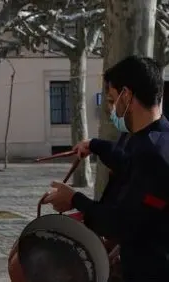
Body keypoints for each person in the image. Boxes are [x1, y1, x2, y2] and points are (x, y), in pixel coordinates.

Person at [42, 55, 169, 282]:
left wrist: (74, 199)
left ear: (127, 96)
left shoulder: (153, 154)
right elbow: (127, 164)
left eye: (112, 100)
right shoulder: (157, 137)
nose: (111, 109)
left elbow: (120, 223)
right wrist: (94, 146)